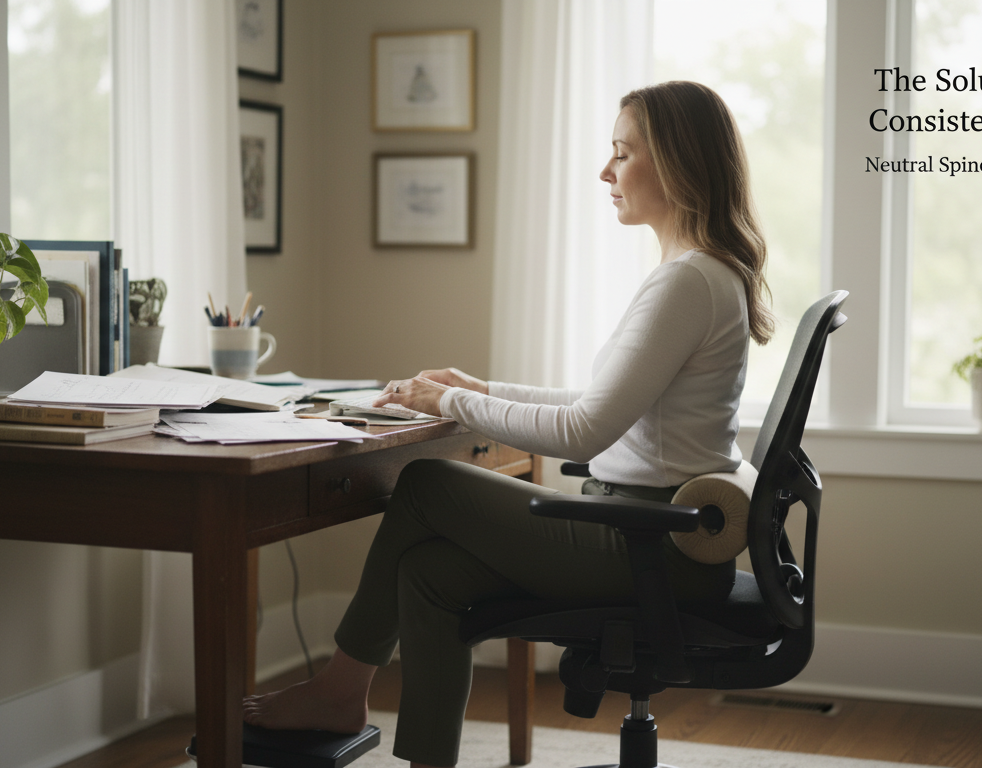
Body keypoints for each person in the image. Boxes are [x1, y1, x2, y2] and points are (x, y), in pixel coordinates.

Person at [242, 80, 774, 768]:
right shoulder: (700, 274)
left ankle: (341, 688)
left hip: (649, 548)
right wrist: (482, 387)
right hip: (653, 537)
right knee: (431, 572)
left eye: (622, 152)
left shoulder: (687, 282)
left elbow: (584, 433)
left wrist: (449, 404)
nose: (605, 172)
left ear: (676, 162)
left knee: (429, 486)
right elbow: (602, 399)